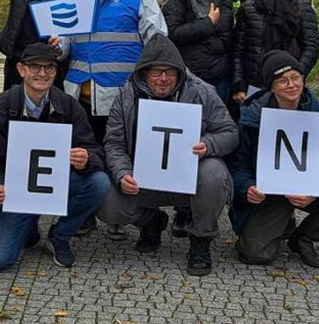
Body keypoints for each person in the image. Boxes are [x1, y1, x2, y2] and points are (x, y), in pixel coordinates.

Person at [96, 35, 237, 276]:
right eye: (157, 72)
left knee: (214, 173)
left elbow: (230, 132)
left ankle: (200, 239)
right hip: (143, 181)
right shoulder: (126, 96)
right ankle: (151, 221)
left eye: (170, 72)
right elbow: (114, 143)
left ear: (180, 73)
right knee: (104, 200)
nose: (163, 79)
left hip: (188, 180)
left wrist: (208, 144)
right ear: (144, 73)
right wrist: (123, 174)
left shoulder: (203, 92)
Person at [0, 44, 111, 271]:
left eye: (49, 67)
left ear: (56, 71)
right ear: (21, 70)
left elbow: (95, 150)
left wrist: (86, 158)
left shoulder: (69, 105)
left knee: (99, 182)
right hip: (17, 193)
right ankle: (28, 227)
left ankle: (60, 236)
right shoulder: (1, 107)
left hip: (57, 185)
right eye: (35, 67)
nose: (42, 73)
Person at [231, 51, 319, 268]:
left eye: (296, 78)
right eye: (282, 80)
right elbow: (236, 162)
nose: (291, 85)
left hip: (308, 186)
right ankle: (280, 222)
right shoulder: (252, 117)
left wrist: (315, 189)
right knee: (255, 254)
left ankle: (304, 237)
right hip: (268, 193)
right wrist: (247, 187)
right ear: (271, 87)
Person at [59, 0, 167, 143]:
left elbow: (157, 38)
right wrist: (57, 46)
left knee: (117, 156)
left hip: (121, 94)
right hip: (78, 94)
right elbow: (66, 40)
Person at [232, 0, 319, 104]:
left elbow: (311, 48)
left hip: (288, 87)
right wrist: (239, 85)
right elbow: (237, 50)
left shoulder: (302, 7)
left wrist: (294, 76)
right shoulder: (248, 8)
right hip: (253, 86)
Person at [161, 0, 235, 99]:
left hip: (219, 78)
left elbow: (227, 38)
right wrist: (207, 24)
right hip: (187, 76)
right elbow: (171, 34)